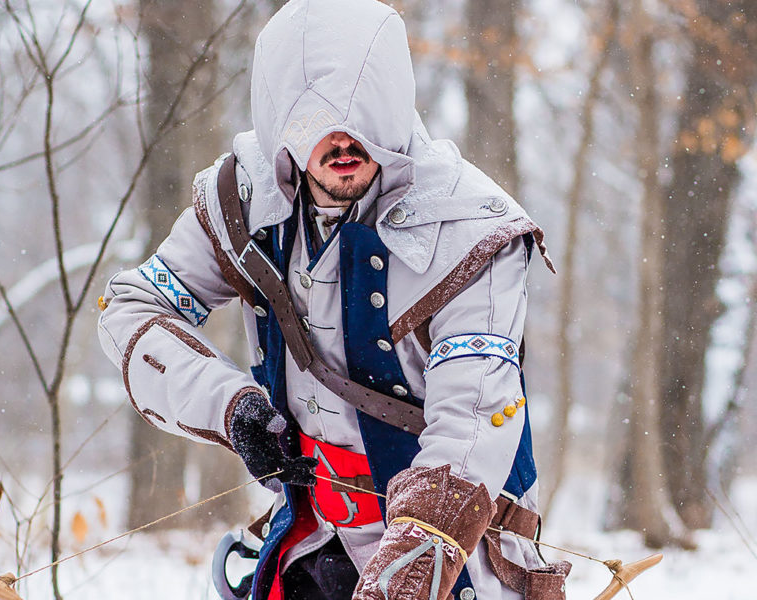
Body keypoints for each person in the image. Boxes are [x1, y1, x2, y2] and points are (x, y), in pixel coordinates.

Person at [97, 0, 567, 599]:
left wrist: (404, 576)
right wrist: (231, 407)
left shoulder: (472, 230)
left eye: (361, 117)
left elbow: (473, 420)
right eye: (317, 120)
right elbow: (131, 312)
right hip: (310, 541)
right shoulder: (244, 200)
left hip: (456, 560)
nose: (343, 139)